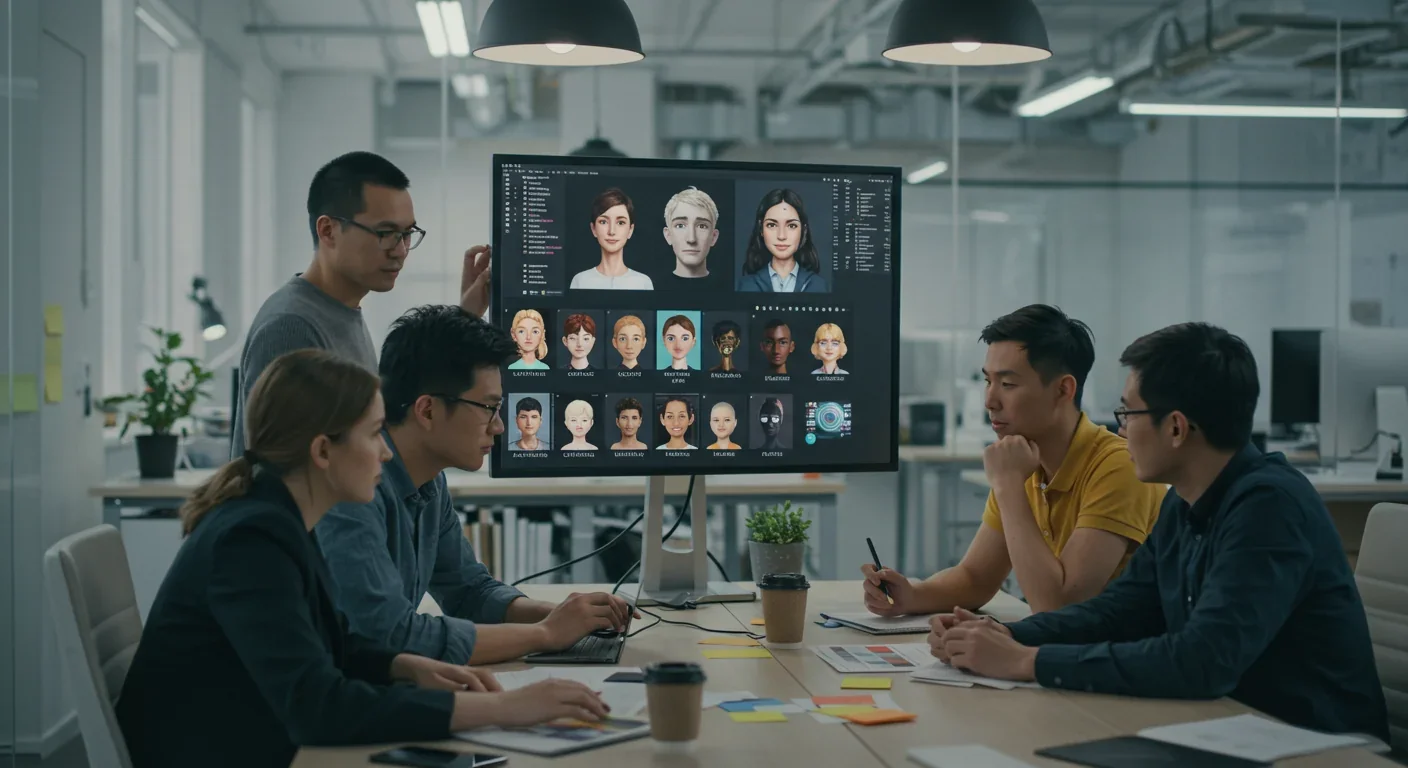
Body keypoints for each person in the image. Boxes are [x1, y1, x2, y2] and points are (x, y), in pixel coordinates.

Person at [120, 350, 607, 768]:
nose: (387, 454)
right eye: (374, 434)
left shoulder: (276, 516)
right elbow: (321, 708)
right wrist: (505, 708)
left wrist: (400, 665)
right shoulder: (251, 541)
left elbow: (328, 640)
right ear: (323, 452)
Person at [927, 323, 1390, 742]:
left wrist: (1027, 663)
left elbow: (1201, 661)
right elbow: (1121, 611)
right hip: (1224, 725)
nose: (1120, 430)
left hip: (1312, 743)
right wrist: (1007, 634)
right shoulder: (1186, 500)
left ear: (1175, 428)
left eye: (1127, 415)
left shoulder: (1269, 509)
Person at [316, 307, 633, 667]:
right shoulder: (354, 489)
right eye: (488, 407)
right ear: (428, 410)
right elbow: (389, 636)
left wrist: (566, 616)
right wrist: (545, 633)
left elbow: (469, 593)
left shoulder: (430, 482)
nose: (499, 427)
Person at [862, 305, 1163, 616]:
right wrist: (911, 595)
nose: (989, 401)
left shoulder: (1117, 466)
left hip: (1112, 657)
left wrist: (1008, 487)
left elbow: (1059, 607)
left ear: (1063, 389)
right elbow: (976, 578)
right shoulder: (1024, 461)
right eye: (987, 382)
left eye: (1007, 385)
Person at [231, 151, 493, 457]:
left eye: (407, 234)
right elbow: (284, 478)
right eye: (385, 233)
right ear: (328, 230)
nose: (400, 251)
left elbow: (388, 427)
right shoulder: (292, 327)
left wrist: (466, 316)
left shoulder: (343, 312)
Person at [737, 188, 830, 293]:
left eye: (791, 226)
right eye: (772, 225)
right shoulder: (746, 286)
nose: (781, 236)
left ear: (803, 231)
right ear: (761, 229)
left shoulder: (819, 286)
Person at [570, 188, 653, 290]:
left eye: (620, 222)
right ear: (593, 229)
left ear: (630, 230)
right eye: (603, 222)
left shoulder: (643, 283)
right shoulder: (580, 281)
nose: (611, 231)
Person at [663, 186, 720, 280]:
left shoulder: (727, 287)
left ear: (714, 237)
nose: (691, 239)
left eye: (702, 226)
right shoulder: (651, 287)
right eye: (680, 225)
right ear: (668, 235)